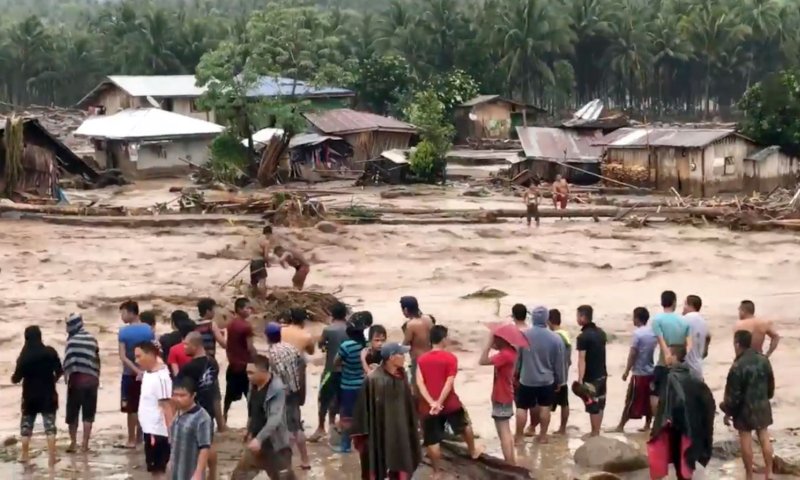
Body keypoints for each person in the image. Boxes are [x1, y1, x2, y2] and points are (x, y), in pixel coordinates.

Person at [417, 325, 482, 478]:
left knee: (432, 440)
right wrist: (440, 402)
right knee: (464, 425)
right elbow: (449, 382)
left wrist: (432, 403)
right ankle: (473, 451)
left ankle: (437, 472)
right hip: (450, 403)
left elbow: (420, 383)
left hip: (428, 407)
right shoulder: (451, 358)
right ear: (443, 339)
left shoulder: (421, 359)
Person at [351, 343, 421, 480]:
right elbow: (363, 411)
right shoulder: (373, 380)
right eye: (401, 354)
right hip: (380, 431)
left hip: (400, 430)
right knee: (381, 463)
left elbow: (408, 405)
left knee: (402, 462)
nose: (404, 357)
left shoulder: (402, 377)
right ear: (391, 357)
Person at [647, 345, 714, 480]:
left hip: (677, 427)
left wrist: (657, 429)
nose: (666, 357)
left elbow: (666, 406)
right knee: (686, 461)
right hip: (692, 427)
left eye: (668, 354)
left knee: (679, 462)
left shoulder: (670, 378)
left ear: (675, 357)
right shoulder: (693, 377)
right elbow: (708, 403)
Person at [721, 330, 775, 480]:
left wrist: (727, 412)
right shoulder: (764, 360)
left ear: (737, 344)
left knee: (746, 441)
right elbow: (771, 385)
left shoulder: (737, 366)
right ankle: (769, 472)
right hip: (762, 405)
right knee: (764, 437)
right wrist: (766, 398)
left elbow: (733, 395)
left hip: (743, 410)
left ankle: (749, 475)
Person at [231, 355, 295, 480]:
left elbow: (275, 418)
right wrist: (249, 429)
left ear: (263, 372)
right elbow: (253, 410)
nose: (248, 376)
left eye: (251, 373)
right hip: (257, 442)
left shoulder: (277, 389)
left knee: (284, 477)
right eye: (247, 372)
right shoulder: (253, 385)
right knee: (239, 475)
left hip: (275, 444)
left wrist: (259, 439)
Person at [12, 325, 63, 467]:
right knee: (50, 427)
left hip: (29, 396)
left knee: (26, 427)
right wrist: (52, 380)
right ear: (40, 336)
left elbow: (16, 378)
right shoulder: (50, 352)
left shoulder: (24, 357)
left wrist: (13, 378)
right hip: (48, 394)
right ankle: (52, 457)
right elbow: (60, 371)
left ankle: (24, 455)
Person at [515, 306, 565, 444]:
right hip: (546, 380)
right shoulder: (555, 338)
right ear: (546, 319)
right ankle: (543, 436)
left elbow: (518, 359)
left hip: (527, 378)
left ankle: (519, 437)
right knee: (545, 407)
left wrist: (516, 374)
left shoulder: (524, 335)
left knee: (522, 407)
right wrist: (559, 380)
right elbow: (559, 362)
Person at [263, 323, 310, 470]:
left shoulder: (272, 354)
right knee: (297, 426)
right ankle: (305, 459)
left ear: (266, 337)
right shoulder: (291, 348)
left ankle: (286, 463)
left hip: (283, 393)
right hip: (295, 391)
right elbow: (302, 366)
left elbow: (278, 374)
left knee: (285, 429)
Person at [179, 332, 220, 479]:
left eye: (186, 344)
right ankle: (212, 474)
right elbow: (214, 390)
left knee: (195, 447)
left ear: (195, 346)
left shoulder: (188, 368)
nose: (183, 347)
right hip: (209, 409)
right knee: (208, 443)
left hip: (194, 411)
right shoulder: (213, 363)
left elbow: (182, 391)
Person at [135, 341, 174, 479]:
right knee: (154, 470)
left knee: (159, 471)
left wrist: (172, 437)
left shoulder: (161, 377)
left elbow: (167, 407)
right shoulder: (149, 372)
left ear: (150, 355)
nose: (136, 360)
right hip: (149, 429)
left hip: (158, 432)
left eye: (139, 356)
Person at [118, 299, 155, 449]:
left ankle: (131, 439)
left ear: (130, 313)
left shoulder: (123, 332)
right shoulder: (148, 330)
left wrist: (136, 370)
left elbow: (123, 356)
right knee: (144, 406)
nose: (122, 316)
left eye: (123, 313)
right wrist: (144, 370)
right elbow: (152, 352)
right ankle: (141, 438)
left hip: (129, 374)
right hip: (148, 372)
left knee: (131, 409)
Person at [478, 326, 518, 464]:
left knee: (503, 432)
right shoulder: (511, 352)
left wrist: (488, 344)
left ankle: (509, 463)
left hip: (501, 396)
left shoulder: (504, 355)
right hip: (506, 394)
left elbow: (482, 361)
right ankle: (511, 462)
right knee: (506, 431)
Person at [310, 302, 349, 442]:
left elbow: (321, 345)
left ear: (332, 315)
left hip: (330, 370)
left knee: (324, 398)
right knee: (342, 399)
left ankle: (321, 427)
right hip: (346, 370)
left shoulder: (328, 330)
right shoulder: (350, 329)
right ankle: (337, 426)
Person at [63, 313, 101, 454]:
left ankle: (73, 443)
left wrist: (66, 376)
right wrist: (97, 375)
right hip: (92, 381)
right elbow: (97, 359)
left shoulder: (71, 341)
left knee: (72, 413)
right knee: (88, 414)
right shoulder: (92, 339)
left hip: (76, 381)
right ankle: (85, 444)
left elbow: (68, 362)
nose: (66, 328)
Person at [616, 307, 657, 433]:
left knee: (630, 400)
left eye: (633, 317)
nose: (632, 320)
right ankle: (647, 425)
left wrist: (626, 371)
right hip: (651, 371)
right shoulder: (653, 332)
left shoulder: (637, 334)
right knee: (648, 399)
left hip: (639, 373)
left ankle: (621, 426)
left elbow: (633, 353)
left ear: (637, 319)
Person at [650, 290, 690, 414]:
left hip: (663, 363)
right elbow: (688, 344)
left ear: (662, 302)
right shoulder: (684, 320)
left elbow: (660, 340)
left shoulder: (657, 320)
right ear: (674, 302)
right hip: (680, 363)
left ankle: (657, 420)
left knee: (655, 394)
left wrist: (667, 354)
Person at [169, 377, 213, 480]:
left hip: (191, 472)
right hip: (176, 470)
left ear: (193, 395)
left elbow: (204, 448)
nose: (178, 399)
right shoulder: (178, 413)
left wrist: (198, 473)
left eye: (182, 395)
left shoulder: (202, 418)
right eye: (175, 395)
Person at [194, 297, 227, 432]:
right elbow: (223, 343)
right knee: (215, 394)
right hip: (210, 363)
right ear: (208, 311)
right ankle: (221, 425)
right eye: (213, 310)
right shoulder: (211, 325)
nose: (214, 312)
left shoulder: (194, 324)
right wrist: (225, 335)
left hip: (196, 361)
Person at [574, 305, 607, 437]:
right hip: (602, 374)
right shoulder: (601, 333)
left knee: (592, 404)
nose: (577, 318)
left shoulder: (582, 337)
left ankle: (594, 432)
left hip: (591, 375)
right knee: (600, 402)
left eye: (577, 316)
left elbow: (582, 359)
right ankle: (597, 431)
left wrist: (580, 378)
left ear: (583, 317)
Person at [335, 321, 367, 452]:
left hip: (348, 386)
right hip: (363, 385)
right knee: (362, 415)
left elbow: (336, 362)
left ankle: (345, 446)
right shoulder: (365, 345)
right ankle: (362, 444)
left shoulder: (346, 346)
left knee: (347, 417)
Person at [224, 297, 256, 420]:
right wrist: (256, 360)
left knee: (229, 395)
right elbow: (250, 347)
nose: (250, 310)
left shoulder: (230, 324)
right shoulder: (246, 326)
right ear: (239, 309)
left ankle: (224, 417)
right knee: (250, 396)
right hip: (244, 365)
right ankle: (251, 421)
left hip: (233, 364)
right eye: (247, 308)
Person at [400, 296, 435, 392]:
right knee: (430, 386)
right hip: (431, 356)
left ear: (405, 310)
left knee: (416, 387)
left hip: (418, 360)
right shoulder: (428, 319)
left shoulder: (411, 325)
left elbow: (405, 344)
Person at [547, 309, 571, 435]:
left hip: (554, 377)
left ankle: (543, 431)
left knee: (546, 404)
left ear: (549, 321)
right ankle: (563, 428)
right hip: (564, 375)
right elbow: (569, 360)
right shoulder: (566, 335)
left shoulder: (554, 337)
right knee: (564, 403)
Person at [683, 294, 710, 380]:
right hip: (698, 368)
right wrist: (705, 351)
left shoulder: (684, 319)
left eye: (685, 304)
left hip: (686, 369)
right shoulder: (703, 322)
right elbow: (708, 337)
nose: (683, 308)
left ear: (691, 305)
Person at [249, 225, 273, 295]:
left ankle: (254, 298)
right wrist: (268, 263)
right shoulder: (266, 242)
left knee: (254, 283)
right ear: (269, 233)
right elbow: (266, 256)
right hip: (259, 263)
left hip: (252, 263)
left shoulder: (256, 240)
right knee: (262, 282)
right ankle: (262, 300)